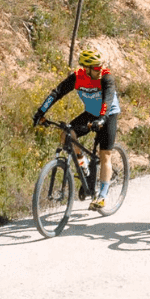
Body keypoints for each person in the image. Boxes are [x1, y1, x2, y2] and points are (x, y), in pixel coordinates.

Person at [32, 49, 121, 209]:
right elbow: (56, 93)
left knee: (105, 154)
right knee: (67, 135)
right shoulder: (77, 78)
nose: (99, 69)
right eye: (95, 67)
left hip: (108, 114)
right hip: (90, 113)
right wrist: (41, 112)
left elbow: (107, 99)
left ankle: (102, 196)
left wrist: (101, 119)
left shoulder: (107, 78)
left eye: (100, 66)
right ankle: (84, 166)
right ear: (86, 69)